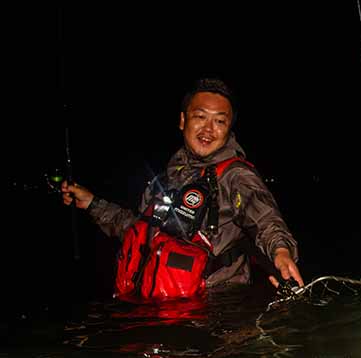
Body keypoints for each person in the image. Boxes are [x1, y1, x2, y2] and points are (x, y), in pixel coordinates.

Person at [61, 78, 304, 300]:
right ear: (182, 120)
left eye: (220, 121)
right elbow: (137, 230)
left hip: (217, 308)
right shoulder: (166, 178)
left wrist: (281, 251)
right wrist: (92, 203)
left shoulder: (236, 175)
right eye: (200, 117)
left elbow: (265, 219)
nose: (209, 129)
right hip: (156, 304)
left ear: (229, 129)